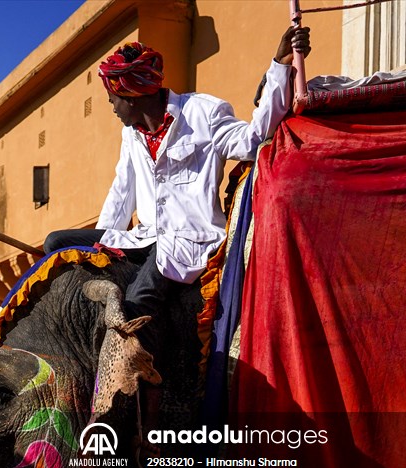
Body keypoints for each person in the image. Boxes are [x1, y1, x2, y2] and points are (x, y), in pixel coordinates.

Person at [43, 25, 311, 349]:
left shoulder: (203, 113)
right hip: (145, 236)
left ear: (132, 95)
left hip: (188, 241)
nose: (111, 106)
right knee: (56, 244)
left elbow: (252, 140)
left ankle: (141, 386)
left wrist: (280, 66)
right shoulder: (132, 134)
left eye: (114, 98)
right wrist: (101, 256)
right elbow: (121, 191)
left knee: (136, 303)